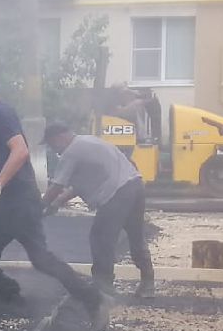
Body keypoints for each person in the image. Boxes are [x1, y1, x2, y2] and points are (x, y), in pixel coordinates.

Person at [0, 65, 109, 331]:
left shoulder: (1, 114)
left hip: (16, 201)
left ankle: (93, 299)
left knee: (11, 256)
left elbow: (20, 151)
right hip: (9, 202)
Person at [42, 123, 156, 298]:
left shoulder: (71, 152)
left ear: (60, 137)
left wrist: (39, 206)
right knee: (136, 236)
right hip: (135, 185)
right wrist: (57, 203)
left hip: (117, 193)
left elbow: (57, 186)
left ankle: (103, 287)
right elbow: (80, 185)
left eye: (52, 144)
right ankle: (148, 284)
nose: (53, 149)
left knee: (101, 237)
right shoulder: (90, 141)